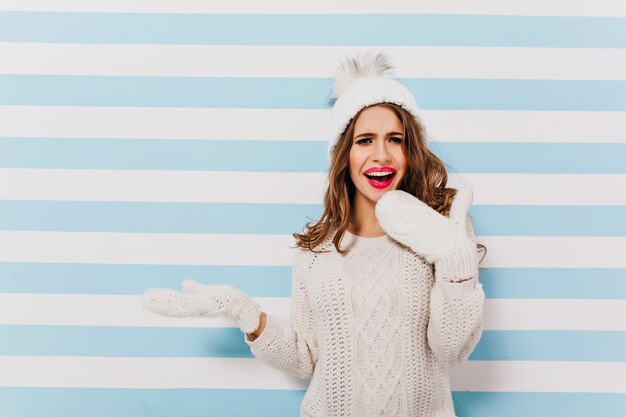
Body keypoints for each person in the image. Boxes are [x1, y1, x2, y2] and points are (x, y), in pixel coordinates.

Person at [142, 50, 486, 417]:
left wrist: (456, 258)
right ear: (344, 153)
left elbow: (451, 349)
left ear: (410, 149)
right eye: (365, 140)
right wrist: (243, 311)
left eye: (395, 139)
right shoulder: (316, 248)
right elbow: (306, 357)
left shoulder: (439, 232)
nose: (381, 154)